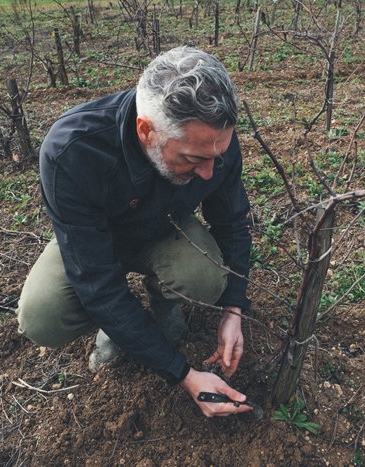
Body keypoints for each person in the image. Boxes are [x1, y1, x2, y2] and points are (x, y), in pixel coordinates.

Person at [16, 46, 253, 417]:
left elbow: (233, 222)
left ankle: (163, 303)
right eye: (193, 159)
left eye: (217, 157)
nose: (209, 172)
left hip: (165, 229)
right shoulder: (73, 150)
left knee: (205, 278)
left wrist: (233, 309)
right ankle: (116, 327)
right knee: (43, 317)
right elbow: (96, 281)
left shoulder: (211, 138)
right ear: (146, 131)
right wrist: (184, 375)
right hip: (94, 240)